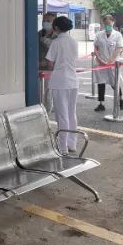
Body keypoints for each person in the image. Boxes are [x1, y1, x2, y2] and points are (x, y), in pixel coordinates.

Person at [44, 16, 82, 154]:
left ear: (56, 28)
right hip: (73, 81)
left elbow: (50, 63)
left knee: (62, 115)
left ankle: (63, 147)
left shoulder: (56, 43)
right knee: (71, 113)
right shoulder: (74, 42)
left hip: (60, 81)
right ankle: (72, 144)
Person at [93, 14, 123, 113]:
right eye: (105, 24)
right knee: (101, 82)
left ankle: (120, 99)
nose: (107, 26)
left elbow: (119, 48)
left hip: (113, 64)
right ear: (103, 24)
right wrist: (99, 60)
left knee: (114, 83)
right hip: (100, 63)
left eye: (109, 24)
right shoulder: (99, 35)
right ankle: (101, 103)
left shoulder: (118, 35)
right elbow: (96, 47)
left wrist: (110, 61)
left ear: (113, 23)